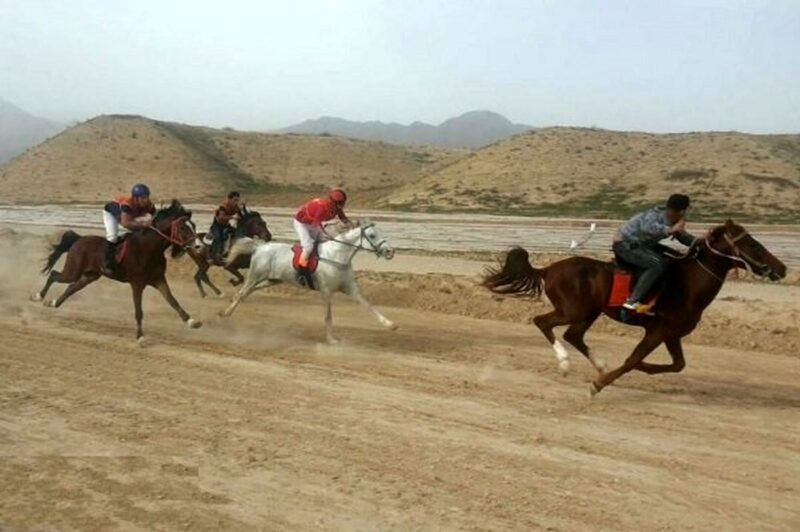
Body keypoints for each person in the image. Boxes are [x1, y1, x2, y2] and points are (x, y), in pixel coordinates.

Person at [612, 193, 696, 313]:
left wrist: (702, 242)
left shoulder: (673, 219)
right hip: (626, 245)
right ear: (682, 211)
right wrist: (671, 230)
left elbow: (683, 237)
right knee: (657, 264)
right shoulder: (654, 215)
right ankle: (632, 301)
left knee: (673, 257)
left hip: (644, 246)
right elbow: (647, 228)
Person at [293, 189, 352, 273]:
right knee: (308, 247)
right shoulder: (322, 208)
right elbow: (316, 224)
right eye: (338, 204)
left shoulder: (336, 207)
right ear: (333, 202)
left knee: (328, 241)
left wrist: (353, 227)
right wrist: (326, 233)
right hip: (302, 224)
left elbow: (344, 219)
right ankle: (301, 269)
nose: (340, 206)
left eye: (341, 204)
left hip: (313, 223)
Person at [102, 183, 156, 273]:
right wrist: (143, 225)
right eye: (143, 198)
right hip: (111, 214)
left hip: (130, 215)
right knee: (112, 236)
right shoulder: (127, 204)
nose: (146, 200)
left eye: (147, 197)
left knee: (146, 225)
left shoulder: (149, 205)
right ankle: (107, 262)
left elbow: (154, 218)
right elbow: (125, 223)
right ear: (135, 198)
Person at [209, 191, 243, 261]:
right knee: (218, 238)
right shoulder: (223, 206)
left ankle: (230, 252)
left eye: (237, 200)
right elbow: (221, 217)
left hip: (226, 225)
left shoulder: (236, 207)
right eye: (235, 200)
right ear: (229, 199)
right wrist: (233, 217)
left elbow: (241, 214)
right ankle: (214, 255)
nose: (236, 202)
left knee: (237, 235)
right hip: (217, 226)